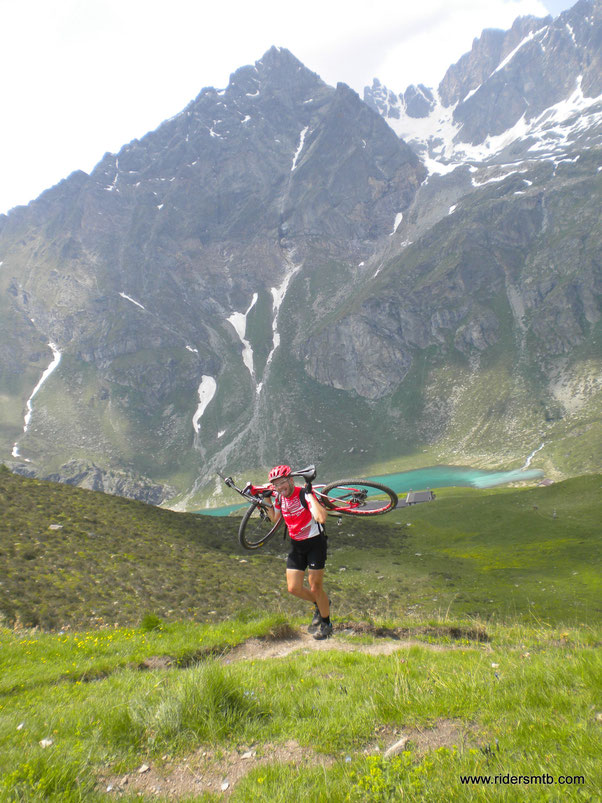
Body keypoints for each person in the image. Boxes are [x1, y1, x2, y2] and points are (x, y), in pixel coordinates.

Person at [264, 464, 332, 640]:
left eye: (283, 483)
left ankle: (326, 623)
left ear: (291, 480)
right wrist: (268, 501)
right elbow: (275, 518)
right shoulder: (279, 498)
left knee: (315, 586)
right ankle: (321, 602)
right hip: (297, 545)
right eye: (276, 485)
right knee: (293, 588)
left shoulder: (303, 493)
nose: (280, 487)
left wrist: (310, 496)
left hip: (315, 543)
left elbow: (322, 517)